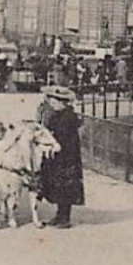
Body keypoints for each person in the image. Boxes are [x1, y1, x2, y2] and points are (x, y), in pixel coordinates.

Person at [38, 85, 85, 228]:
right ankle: (59, 215)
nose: (52, 104)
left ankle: (65, 218)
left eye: (54, 101)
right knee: (58, 186)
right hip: (58, 156)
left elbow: (64, 138)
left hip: (67, 157)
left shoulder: (68, 117)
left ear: (63, 102)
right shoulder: (57, 115)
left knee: (66, 186)